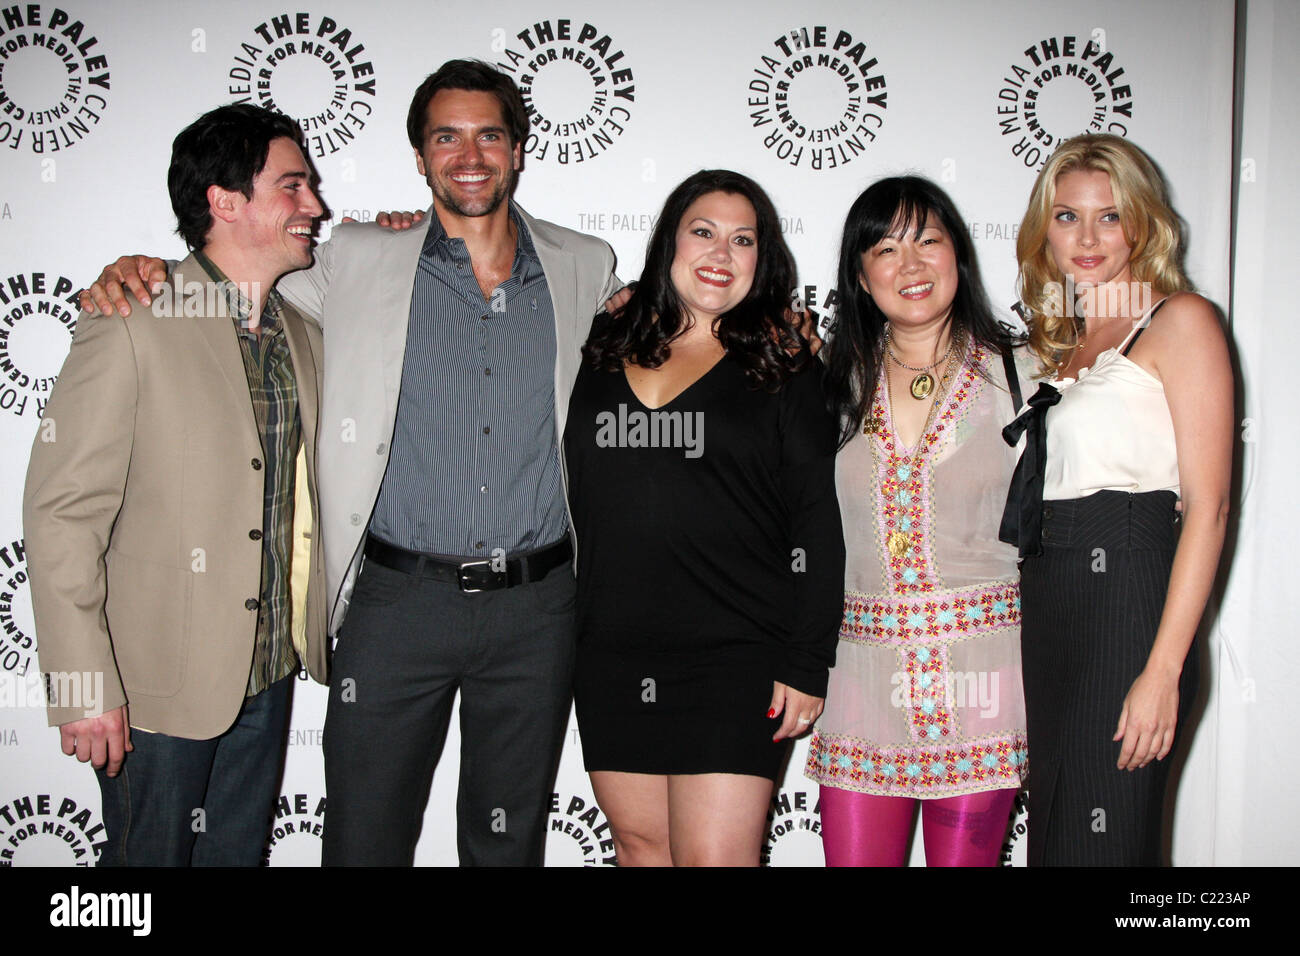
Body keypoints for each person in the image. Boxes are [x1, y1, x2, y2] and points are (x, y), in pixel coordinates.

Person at [83, 60, 622, 866]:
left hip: (537, 609)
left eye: (487, 135)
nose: (467, 154)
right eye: (446, 136)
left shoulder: (586, 264)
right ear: (419, 155)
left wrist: (778, 327)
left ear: (517, 150)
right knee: (363, 842)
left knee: (507, 845)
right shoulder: (355, 257)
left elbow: (677, 333)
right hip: (394, 607)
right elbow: (233, 284)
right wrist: (145, 272)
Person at [24, 104, 329, 866]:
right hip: (151, 687)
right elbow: (63, 513)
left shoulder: (308, 333)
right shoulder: (131, 317)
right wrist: (83, 683)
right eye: (291, 187)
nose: (314, 207)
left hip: (269, 673)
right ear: (224, 201)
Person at [563, 169, 844, 866]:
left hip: (736, 655)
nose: (721, 253)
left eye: (742, 240)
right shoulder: (601, 346)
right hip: (611, 651)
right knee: (639, 849)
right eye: (704, 232)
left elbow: (815, 520)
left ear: (764, 258)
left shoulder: (782, 363)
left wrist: (807, 661)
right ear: (669, 244)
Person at [1000, 133, 1231, 866]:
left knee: (1107, 843)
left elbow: (1210, 506)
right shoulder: (1063, 344)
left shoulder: (1179, 320)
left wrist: (1162, 670)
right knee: (1060, 842)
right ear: (1045, 231)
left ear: (1142, 222)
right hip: (1052, 598)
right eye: (1067, 217)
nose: (1088, 237)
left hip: (1128, 594)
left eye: (1109, 215)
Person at [804, 176, 1030, 866]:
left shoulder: (1025, 372)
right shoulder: (825, 381)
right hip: (861, 681)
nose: (911, 264)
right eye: (885, 248)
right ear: (859, 274)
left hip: (985, 679)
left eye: (928, 240)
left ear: (958, 253)